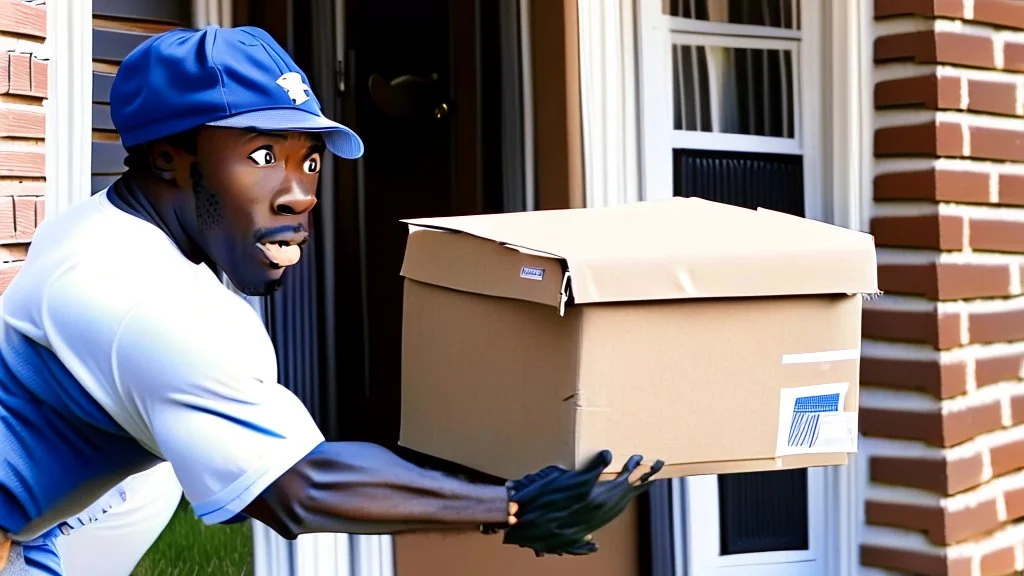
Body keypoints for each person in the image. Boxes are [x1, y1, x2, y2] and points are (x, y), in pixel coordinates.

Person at [0, 25, 664, 575]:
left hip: (43, 514)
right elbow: (299, 485)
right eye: (262, 154)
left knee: (172, 453)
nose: (300, 193)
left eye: (309, 160)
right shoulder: (145, 303)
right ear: (170, 159)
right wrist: (513, 506)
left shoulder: (104, 225)